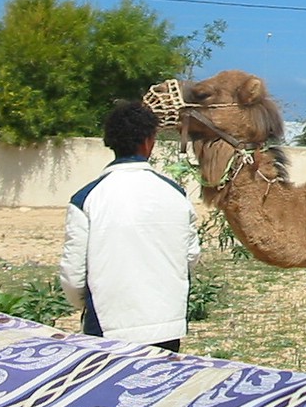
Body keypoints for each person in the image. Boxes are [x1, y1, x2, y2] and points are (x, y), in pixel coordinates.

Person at [59, 100, 201, 352]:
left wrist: (89, 306)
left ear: (110, 141)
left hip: (107, 326)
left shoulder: (86, 199)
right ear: (150, 141)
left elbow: (73, 274)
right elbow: (189, 256)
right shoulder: (175, 194)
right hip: (166, 326)